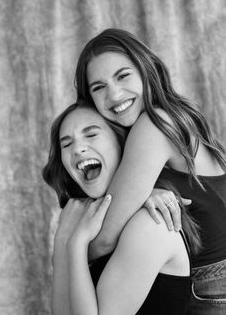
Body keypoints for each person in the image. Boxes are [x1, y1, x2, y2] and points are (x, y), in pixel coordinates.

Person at [74, 28, 226, 314]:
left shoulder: (155, 125)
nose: (114, 93)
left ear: (147, 71)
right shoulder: (175, 114)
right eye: (98, 87)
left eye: (123, 76)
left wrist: (69, 243)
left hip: (212, 293)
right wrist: (144, 194)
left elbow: (101, 240)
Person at [42, 100, 201, 315]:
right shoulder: (82, 216)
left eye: (91, 135)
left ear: (123, 144)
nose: (78, 149)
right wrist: (63, 240)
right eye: (66, 144)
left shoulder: (151, 223)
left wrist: (75, 244)